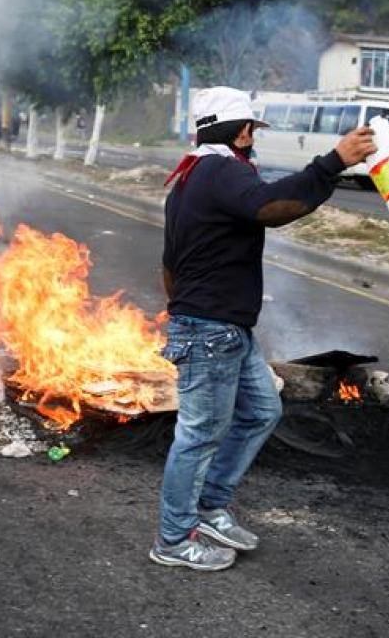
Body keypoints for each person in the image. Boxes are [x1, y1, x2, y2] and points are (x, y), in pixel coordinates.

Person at [150, 87, 377, 571]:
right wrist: (332, 162)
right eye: (252, 129)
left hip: (223, 328)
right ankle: (173, 538)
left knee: (259, 411)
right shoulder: (219, 171)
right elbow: (274, 206)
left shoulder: (192, 177)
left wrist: (191, 311)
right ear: (242, 131)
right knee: (199, 435)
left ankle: (210, 508)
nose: (254, 139)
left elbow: (170, 264)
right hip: (211, 329)